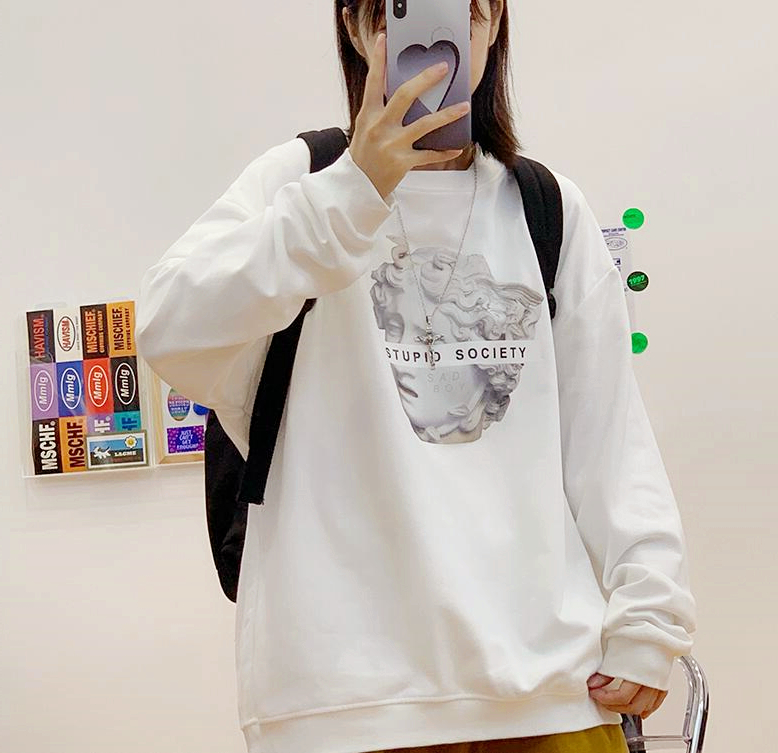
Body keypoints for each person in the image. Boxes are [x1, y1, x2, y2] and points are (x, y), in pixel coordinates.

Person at [135, 1, 697, 752]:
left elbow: (611, 439)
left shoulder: (547, 208)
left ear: (494, 22)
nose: (435, 41)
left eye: (462, 11)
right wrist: (351, 191)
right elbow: (168, 324)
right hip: (345, 704)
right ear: (357, 27)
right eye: (401, 11)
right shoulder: (299, 180)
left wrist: (649, 614)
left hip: (551, 694)